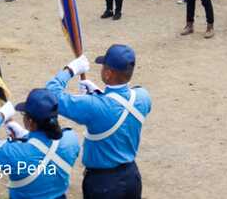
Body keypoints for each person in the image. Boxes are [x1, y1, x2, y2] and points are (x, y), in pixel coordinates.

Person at [46, 45, 151, 199]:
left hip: (103, 184)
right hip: (131, 178)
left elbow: (50, 95)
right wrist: (101, 94)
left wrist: (70, 69)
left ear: (108, 74)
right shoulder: (143, 96)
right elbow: (121, 103)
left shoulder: (93, 106)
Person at [0, 89, 81, 198]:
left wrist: (1, 114)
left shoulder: (15, 152)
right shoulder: (71, 138)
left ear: (30, 121)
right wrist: (25, 136)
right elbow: (46, 145)